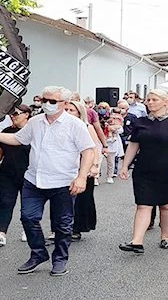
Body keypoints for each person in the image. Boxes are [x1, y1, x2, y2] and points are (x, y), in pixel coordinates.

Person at [0, 86, 95, 276]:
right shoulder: (35, 122)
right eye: (44, 100)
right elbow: (17, 138)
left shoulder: (75, 125)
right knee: (28, 218)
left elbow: (88, 151)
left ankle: (60, 259)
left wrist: (82, 177)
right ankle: (38, 253)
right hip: (34, 180)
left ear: (64, 104)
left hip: (63, 182)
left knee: (63, 225)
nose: (47, 104)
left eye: (52, 101)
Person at [118, 89, 168, 254]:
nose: (150, 102)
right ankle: (137, 241)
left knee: (166, 205)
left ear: (165, 102)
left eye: (154, 99)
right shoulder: (141, 122)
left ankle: (165, 236)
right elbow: (134, 144)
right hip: (144, 169)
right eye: (148, 100)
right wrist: (125, 165)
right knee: (143, 204)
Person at [0, 105, 32, 246]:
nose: (13, 116)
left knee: (28, 205)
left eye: (17, 113)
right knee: (5, 203)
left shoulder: (33, 131)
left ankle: (28, 230)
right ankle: (1, 233)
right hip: (7, 173)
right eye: (11, 114)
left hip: (28, 173)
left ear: (27, 115)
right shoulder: (7, 131)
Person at [64, 100, 101, 241]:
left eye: (71, 110)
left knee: (81, 199)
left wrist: (94, 165)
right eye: (66, 109)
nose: (68, 113)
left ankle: (77, 227)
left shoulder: (87, 127)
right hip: (66, 165)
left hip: (83, 165)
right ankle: (62, 226)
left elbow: (94, 148)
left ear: (79, 113)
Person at [104, 113, 124, 184]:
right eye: (111, 118)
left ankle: (109, 176)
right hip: (103, 143)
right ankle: (96, 177)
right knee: (98, 161)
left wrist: (114, 129)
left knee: (111, 162)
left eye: (115, 119)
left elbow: (120, 131)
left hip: (112, 146)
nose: (112, 120)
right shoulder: (105, 124)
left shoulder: (119, 127)